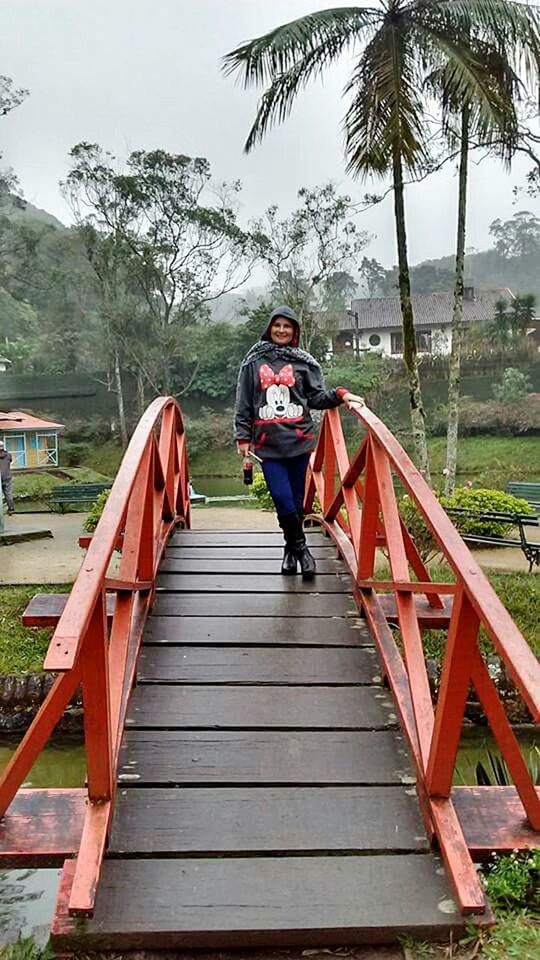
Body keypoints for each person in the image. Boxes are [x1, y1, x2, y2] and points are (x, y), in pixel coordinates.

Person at [234, 305, 364, 579]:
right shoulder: (253, 361)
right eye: (277, 325)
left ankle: (289, 550)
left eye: (287, 326)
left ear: (295, 331)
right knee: (282, 499)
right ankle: (301, 549)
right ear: (270, 328)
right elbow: (244, 402)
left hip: (299, 440)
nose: (281, 330)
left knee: (295, 501)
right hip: (268, 444)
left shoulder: (304, 362)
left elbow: (316, 398)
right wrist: (242, 436)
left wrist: (342, 394)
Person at [0, 441, 15, 515]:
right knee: (8, 494)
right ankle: (11, 510)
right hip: (7, 477)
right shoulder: (8, 455)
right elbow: (10, 461)